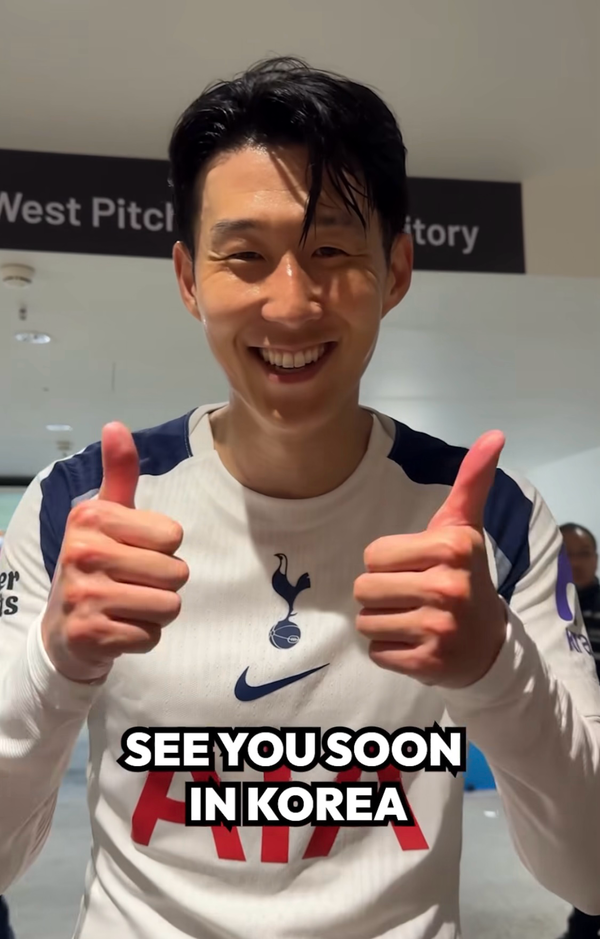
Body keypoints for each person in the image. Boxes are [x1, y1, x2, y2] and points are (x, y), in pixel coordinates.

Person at [0, 57, 599, 939]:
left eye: (331, 251)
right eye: (244, 255)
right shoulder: (77, 509)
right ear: (188, 278)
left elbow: (591, 871)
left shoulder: (489, 524)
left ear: (396, 270)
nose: (291, 303)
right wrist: (57, 665)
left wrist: (493, 666)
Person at [557, 523, 600, 938]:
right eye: (565, 554)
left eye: (583, 553)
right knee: (584, 839)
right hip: (568, 738)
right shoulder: (547, 612)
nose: (575, 562)